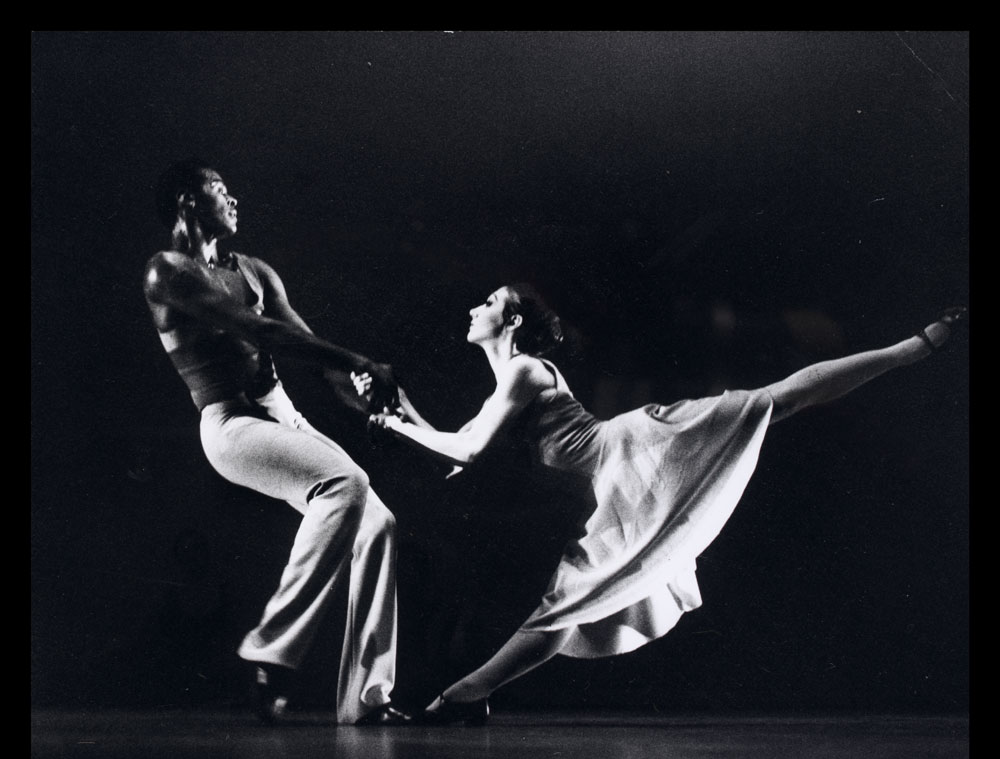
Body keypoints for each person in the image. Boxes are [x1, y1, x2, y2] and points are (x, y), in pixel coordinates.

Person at [353, 283, 966, 724]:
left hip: (640, 454)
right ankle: (467, 696)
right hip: (620, 476)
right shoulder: (511, 379)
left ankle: (917, 347)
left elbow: (465, 453)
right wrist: (398, 409)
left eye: (488, 302)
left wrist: (392, 422)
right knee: (571, 598)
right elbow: (459, 446)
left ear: (512, 322)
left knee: (771, 402)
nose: (472, 307)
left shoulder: (525, 372)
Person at [143, 158, 411, 725]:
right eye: (220, 189)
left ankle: (365, 700)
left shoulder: (256, 271)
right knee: (345, 483)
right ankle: (271, 651)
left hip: (280, 414)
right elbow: (259, 331)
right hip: (231, 425)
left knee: (378, 525)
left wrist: (368, 396)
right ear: (188, 202)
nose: (233, 199)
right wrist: (359, 360)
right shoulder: (167, 272)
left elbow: (305, 346)